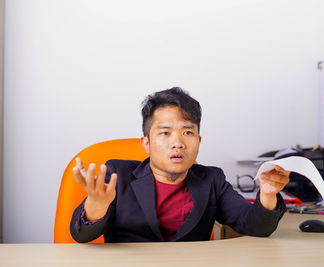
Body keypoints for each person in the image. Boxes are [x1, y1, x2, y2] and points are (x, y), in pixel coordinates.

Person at [70, 87, 290, 243]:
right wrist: (96, 206)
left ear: (199, 141)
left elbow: (254, 227)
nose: (178, 143)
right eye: (165, 133)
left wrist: (268, 195)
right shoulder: (119, 174)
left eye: (187, 132)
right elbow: (81, 235)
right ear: (146, 143)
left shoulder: (212, 180)